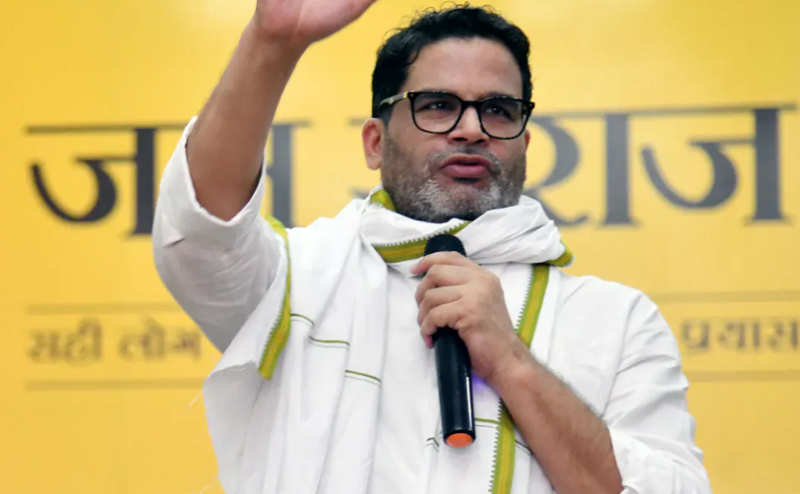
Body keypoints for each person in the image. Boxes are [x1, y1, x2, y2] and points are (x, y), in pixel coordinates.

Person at [152, 1, 712, 493]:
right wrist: (271, 43)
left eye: (498, 110)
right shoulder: (300, 277)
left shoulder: (618, 321)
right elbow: (198, 234)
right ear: (375, 142)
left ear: (524, 143)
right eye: (438, 105)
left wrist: (510, 361)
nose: (471, 129)